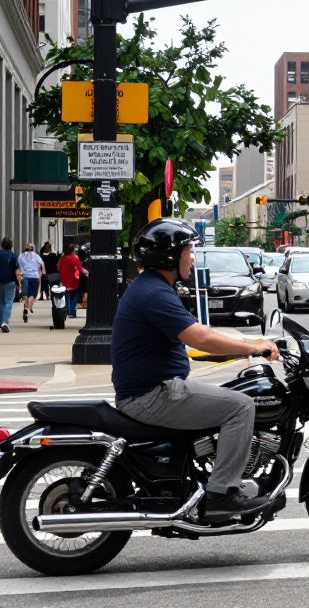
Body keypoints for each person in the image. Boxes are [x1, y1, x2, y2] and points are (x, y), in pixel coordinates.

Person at [111, 218, 280, 521]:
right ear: (169, 257)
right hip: (152, 394)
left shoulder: (152, 288)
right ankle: (221, 495)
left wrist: (244, 343)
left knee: (231, 394)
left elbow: (195, 336)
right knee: (241, 407)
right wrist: (254, 348)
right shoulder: (154, 293)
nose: (191, 257)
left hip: (153, 388)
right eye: (187, 250)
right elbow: (199, 337)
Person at [0, 237, 21, 333]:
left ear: (2, 245)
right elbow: (17, 271)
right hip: (10, 282)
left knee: (0, 302)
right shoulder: (13, 256)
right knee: (9, 302)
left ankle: (0, 321)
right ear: (11, 245)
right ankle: (5, 322)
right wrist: (19, 283)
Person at [17, 243, 44, 324]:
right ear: (33, 248)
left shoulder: (21, 256)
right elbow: (41, 265)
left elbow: (18, 266)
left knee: (25, 294)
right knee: (32, 295)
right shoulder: (37, 256)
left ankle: (26, 307)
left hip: (24, 276)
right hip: (35, 277)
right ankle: (28, 308)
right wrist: (41, 274)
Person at [58, 243, 84, 319]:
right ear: (73, 250)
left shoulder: (62, 258)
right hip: (74, 280)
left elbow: (59, 268)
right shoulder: (75, 258)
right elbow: (79, 268)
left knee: (67, 296)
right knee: (75, 297)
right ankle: (72, 312)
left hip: (64, 280)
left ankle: (68, 311)